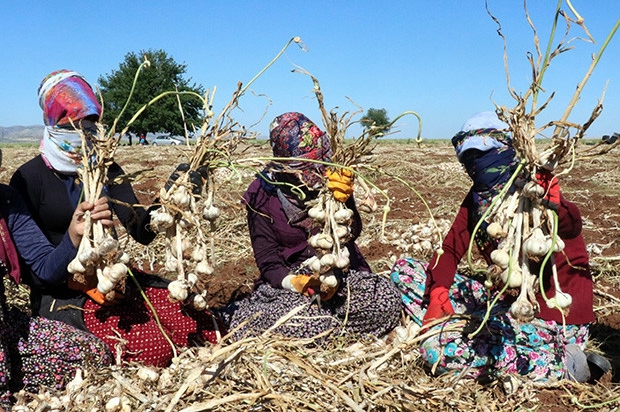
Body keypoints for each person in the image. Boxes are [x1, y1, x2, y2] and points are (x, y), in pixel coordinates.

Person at [10, 69, 223, 368]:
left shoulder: (107, 168)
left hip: (114, 278)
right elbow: (38, 273)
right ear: (53, 124)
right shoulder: (28, 178)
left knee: (195, 321)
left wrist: (170, 201)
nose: (85, 135)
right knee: (151, 349)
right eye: (73, 125)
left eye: (90, 124)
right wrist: (76, 250)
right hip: (61, 292)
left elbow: (141, 229)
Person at [390, 111, 608, 383]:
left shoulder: (535, 189)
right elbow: (449, 249)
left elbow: (571, 225)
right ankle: (461, 319)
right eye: (469, 159)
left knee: (441, 352)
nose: (478, 165)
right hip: (503, 302)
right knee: (405, 271)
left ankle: (565, 363)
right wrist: (438, 293)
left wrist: (553, 204)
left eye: (486, 154)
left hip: (555, 315)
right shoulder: (478, 201)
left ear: (510, 150)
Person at [221, 112, 401, 341]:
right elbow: (268, 261)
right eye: (307, 167)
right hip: (292, 288)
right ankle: (330, 331)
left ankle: (330, 332)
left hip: (342, 275)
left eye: (320, 162)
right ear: (285, 166)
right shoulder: (261, 195)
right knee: (308, 322)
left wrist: (345, 201)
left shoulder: (333, 178)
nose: (317, 172)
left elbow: (352, 233)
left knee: (386, 301)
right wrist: (297, 283)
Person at [0, 171, 113, 408]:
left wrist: (74, 233)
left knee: (94, 353)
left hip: (5, 326)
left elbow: (44, 267)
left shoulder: (5, 200)